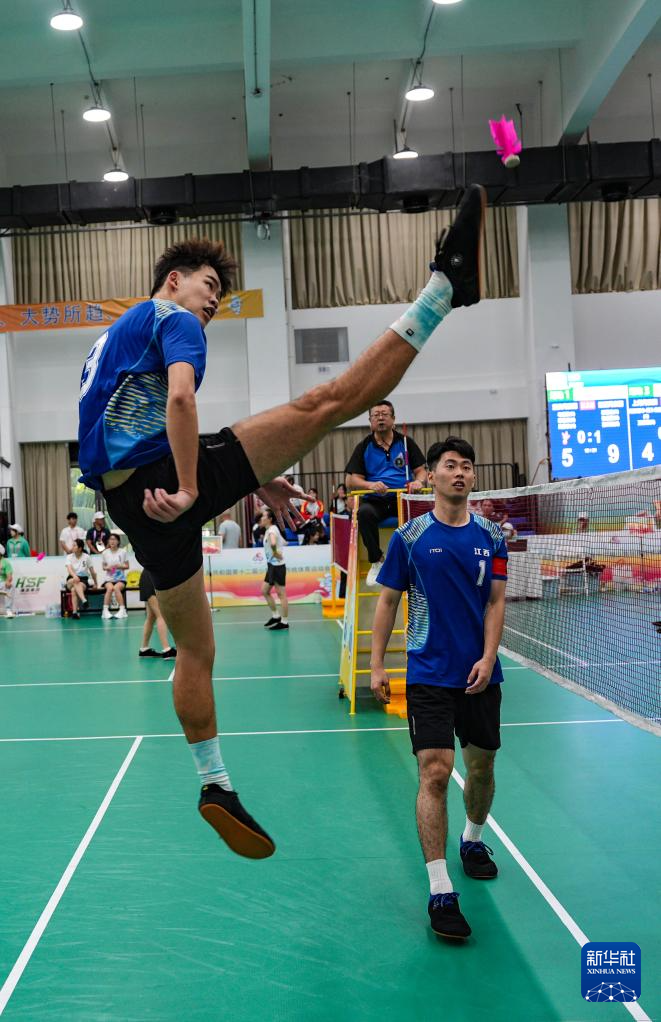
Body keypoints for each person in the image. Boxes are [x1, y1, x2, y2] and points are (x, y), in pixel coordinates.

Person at [77, 185, 486, 860]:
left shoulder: (110, 340)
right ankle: (446, 288)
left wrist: (252, 478)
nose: (213, 301)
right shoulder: (173, 318)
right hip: (167, 484)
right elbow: (180, 400)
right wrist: (192, 486)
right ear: (173, 280)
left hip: (132, 508)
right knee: (327, 402)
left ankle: (215, 783)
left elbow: (151, 423)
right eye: (209, 286)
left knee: (196, 651)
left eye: (219, 294)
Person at [370, 436, 507, 941]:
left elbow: (496, 601)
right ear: (430, 476)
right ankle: (440, 889)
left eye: (467, 466)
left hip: (479, 675)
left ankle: (472, 839)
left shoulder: (492, 536)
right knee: (435, 772)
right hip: (427, 673)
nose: (460, 473)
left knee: (482, 768)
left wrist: (489, 657)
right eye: (450, 465)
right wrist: (377, 664)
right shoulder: (409, 537)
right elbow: (387, 602)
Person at [345, 400, 427, 585]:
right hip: (376, 501)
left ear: (393, 419)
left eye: (384, 414)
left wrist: (419, 481)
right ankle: (376, 561)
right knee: (364, 513)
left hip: (403, 498)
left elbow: (421, 471)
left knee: (424, 516)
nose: (380, 418)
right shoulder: (364, 446)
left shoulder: (406, 442)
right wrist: (370, 485)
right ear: (370, 421)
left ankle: (418, 560)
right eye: (376, 415)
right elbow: (351, 480)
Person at [260, 508, 289, 630]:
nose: (262, 518)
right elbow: (285, 542)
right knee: (265, 590)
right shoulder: (272, 529)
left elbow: (273, 543)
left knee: (281, 594)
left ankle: (284, 622)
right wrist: (279, 548)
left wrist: (276, 552)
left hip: (277, 567)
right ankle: (276, 615)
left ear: (270, 519)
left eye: (264, 516)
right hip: (272, 566)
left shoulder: (272, 530)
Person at [138, 568, 176, 658]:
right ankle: (167, 649)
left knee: (151, 617)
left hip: (148, 577)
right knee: (161, 615)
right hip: (151, 578)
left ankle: (144, 649)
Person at [65, 538, 98, 618]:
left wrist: (95, 583)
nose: (72, 547)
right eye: (72, 545)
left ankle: (75, 613)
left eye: (74, 545)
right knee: (75, 581)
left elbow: (92, 572)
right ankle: (84, 600)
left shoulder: (87, 557)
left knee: (74, 590)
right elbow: (69, 569)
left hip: (83, 580)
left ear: (80, 548)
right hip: (71, 578)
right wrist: (74, 576)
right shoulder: (69, 557)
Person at [101, 533, 129, 619]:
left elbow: (127, 566)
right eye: (110, 539)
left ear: (118, 541)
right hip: (109, 578)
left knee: (116, 588)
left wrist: (119, 566)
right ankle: (105, 611)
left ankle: (122, 610)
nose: (112, 541)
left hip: (121, 579)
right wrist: (108, 567)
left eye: (114, 539)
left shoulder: (123, 552)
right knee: (110, 588)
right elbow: (103, 567)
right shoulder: (105, 553)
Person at [0, 544, 14, 618]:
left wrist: (8, 581)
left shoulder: (5, 562)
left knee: (10, 586)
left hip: (2, 583)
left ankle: (8, 610)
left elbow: (9, 575)